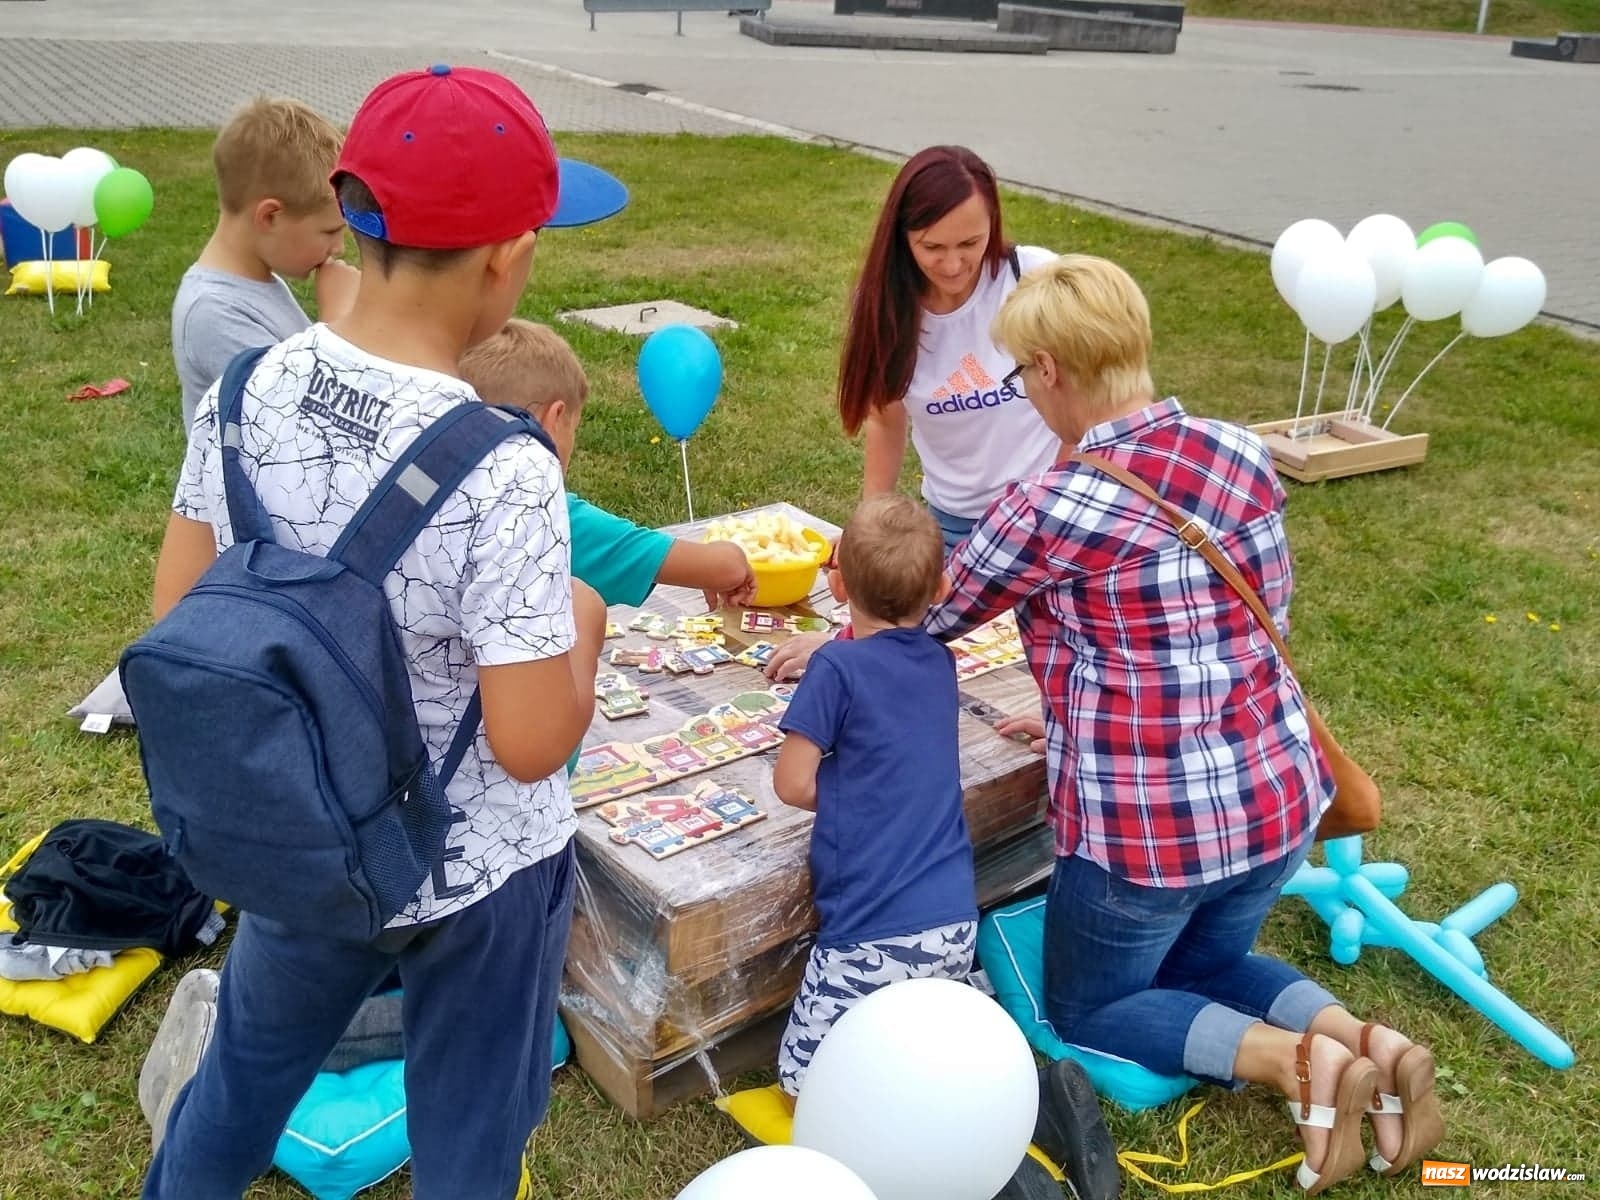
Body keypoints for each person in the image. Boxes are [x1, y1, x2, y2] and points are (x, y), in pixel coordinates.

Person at [138, 65, 622, 1200]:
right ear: (507, 256)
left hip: (299, 823)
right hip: (479, 878)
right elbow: (529, 742)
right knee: (468, 1137)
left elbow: (180, 611)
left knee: (245, 1079)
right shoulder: (506, 465)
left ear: (354, 211)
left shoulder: (248, 387)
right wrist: (582, 632)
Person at [919, 255, 1444, 1195]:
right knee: (1212, 959)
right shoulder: (1240, 450)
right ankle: (1371, 1042)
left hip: (1148, 840)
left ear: (1049, 370)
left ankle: (1303, 1067)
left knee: (1093, 1006)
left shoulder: (1049, 506)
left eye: (1019, 376)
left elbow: (928, 613)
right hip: (1280, 801)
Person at [771, 494, 1120, 1200]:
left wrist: (846, 790)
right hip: (951, 917)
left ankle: (973, 1164)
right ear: (938, 590)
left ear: (837, 586)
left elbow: (792, 784)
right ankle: (1031, 1110)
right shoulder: (938, 662)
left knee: (802, 1086)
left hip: (865, 931)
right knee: (929, 1046)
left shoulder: (832, 671)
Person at [838, 145, 1061, 555]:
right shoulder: (882, 304)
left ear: (993, 222)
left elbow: (1089, 402)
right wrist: (865, 530)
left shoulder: (1035, 277)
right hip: (953, 527)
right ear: (902, 238)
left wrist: (1060, 502)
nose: (954, 264)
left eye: (970, 242)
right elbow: (886, 422)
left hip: (1046, 521)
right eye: (933, 247)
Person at [459, 319, 757, 611]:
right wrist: (728, 556)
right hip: (513, 658)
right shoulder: (552, 515)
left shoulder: (438, 495)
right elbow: (725, 569)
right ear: (555, 419)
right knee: (587, 611)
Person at [171, 97, 361, 433]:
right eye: (330, 231)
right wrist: (337, 327)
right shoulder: (214, 313)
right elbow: (299, 427)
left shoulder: (259, 281)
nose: (338, 247)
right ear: (270, 216)